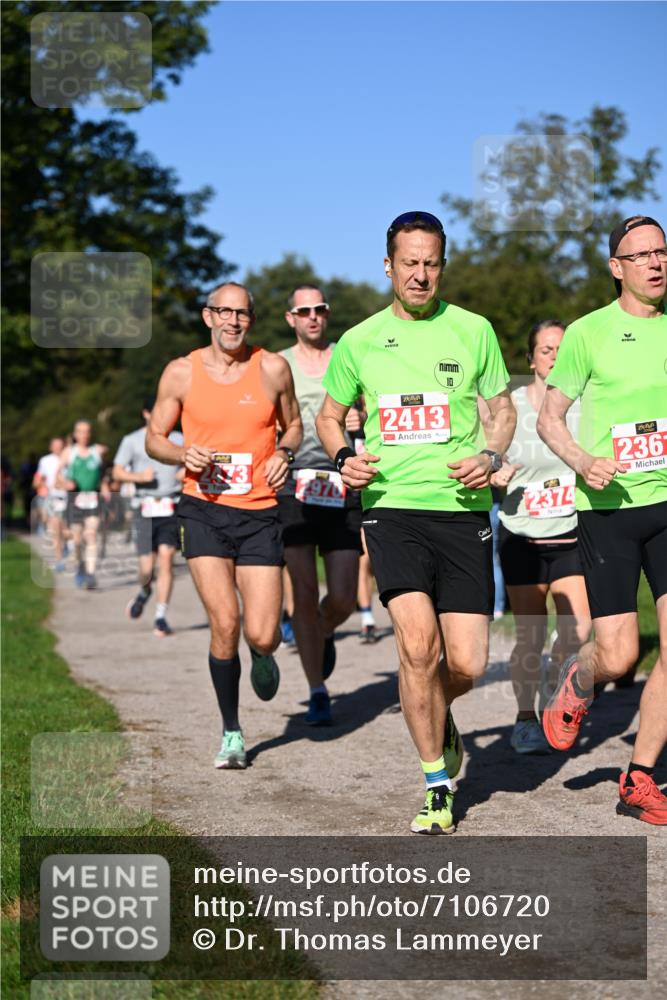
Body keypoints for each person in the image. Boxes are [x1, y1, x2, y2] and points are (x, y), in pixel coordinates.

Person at [317, 211, 516, 833]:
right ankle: (436, 782)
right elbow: (329, 416)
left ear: (442, 265)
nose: (421, 274)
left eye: (431, 262)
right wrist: (346, 457)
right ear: (389, 266)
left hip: (461, 510)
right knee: (417, 646)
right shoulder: (360, 340)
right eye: (410, 262)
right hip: (392, 506)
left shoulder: (473, 330)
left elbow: (502, 410)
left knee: (469, 662)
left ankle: (437, 714)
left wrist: (490, 455)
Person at [537, 215, 667, 825]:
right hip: (609, 511)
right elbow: (549, 418)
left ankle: (638, 776)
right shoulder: (588, 334)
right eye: (640, 255)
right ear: (617, 267)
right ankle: (578, 681)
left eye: (661, 252)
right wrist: (584, 461)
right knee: (617, 656)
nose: (655, 263)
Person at [146, 281, 302, 769]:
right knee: (225, 623)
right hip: (203, 507)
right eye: (224, 313)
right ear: (207, 316)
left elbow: (293, 423)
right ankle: (232, 731)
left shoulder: (273, 367)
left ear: (251, 320)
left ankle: (262, 653)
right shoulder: (181, 373)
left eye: (242, 314)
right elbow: (155, 437)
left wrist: (284, 451)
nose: (233, 322)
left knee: (262, 633)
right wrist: (180, 451)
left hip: (259, 512)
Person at [495, 321, 591, 754]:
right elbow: (487, 460)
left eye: (561, 349)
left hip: (570, 532)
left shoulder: (584, 405)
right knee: (530, 637)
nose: (554, 356)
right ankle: (524, 718)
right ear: (531, 359)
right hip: (522, 535)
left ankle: (557, 688)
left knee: (577, 630)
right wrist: (497, 473)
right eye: (546, 350)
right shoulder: (511, 408)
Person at [278, 285, 364, 725]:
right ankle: (317, 690)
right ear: (291, 318)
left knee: (345, 594)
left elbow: (372, 409)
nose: (313, 317)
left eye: (320, 309)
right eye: (304, 311)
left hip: (342, 481)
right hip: (293, 486)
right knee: (304, 593)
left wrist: (361, 417)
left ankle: (325, 629)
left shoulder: (346, 356)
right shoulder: (278, 364)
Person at [113, 397, 184, 637]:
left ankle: (161, 616)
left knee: (166, 560)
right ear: (145, 413)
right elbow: (117, 471)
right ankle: (144, 592)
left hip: (171, 505)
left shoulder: (179, 439)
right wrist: (140, 478)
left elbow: (194, 463)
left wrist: (186, 471)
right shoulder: (132, 440)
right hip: (144, 508)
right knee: (146, 568)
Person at [56, 420, 108, 589]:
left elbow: (106, 472)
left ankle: (91, 574)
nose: (84, 435)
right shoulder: (68, 453)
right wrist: (65, 484)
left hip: (93, 500)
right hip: (75, 501)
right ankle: (80, 567)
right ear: (75, 434)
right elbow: (56, 478)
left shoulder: (98, 451)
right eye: (81, 431)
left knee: (91, 535)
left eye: (87, 431)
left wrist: (105, 485)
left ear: (90, 434)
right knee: (77, 541)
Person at [33, 437, 68, 568]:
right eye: (56, 445)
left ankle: (66, 546)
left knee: (66, 529)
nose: (58, 448)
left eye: (60, 445)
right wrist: (45, 485)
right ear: (51, 447)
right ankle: (59, 558)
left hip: (69, 497)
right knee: (55, 528)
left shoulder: (69, 459)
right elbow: (38, 479)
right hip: (54, 498)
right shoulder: (45, 460)